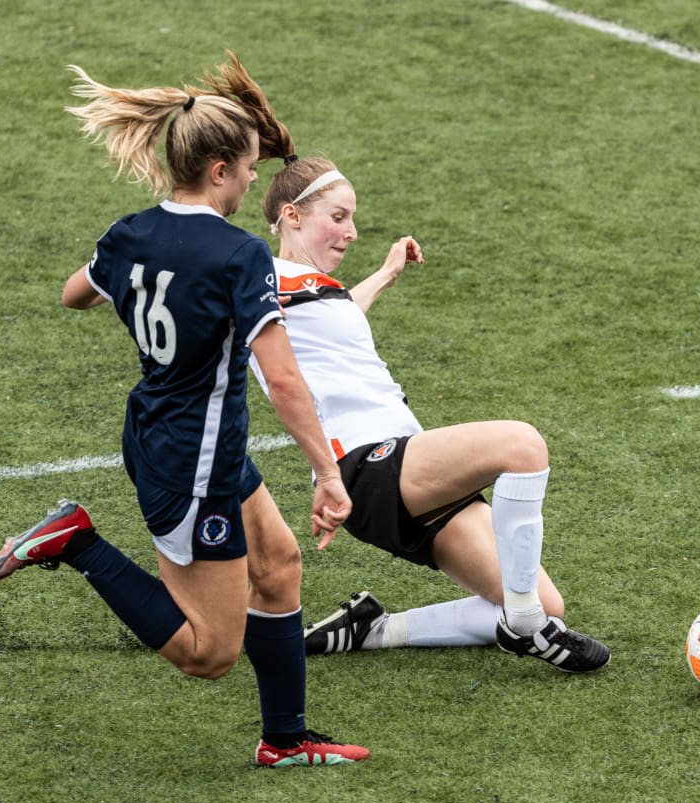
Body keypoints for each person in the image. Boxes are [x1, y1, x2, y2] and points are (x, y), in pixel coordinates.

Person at [0, 55, 369, 767]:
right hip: (190, 463)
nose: (256, 178)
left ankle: (284, 739)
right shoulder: (236, 255)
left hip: (180, 433)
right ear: (219, 169)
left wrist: (140, 284)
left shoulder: (130, 233)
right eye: (250, 166)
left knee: (279, 565)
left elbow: (77, 292)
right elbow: (284, 383)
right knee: (208, 654)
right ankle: (77, 542)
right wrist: (328, 474)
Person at [250, 156, 610, 673]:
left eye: (353, 219)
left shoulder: (310, 291)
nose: (351, 231)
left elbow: (335, 316)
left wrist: (386, 274)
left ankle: (373, 629)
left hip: (408, 476)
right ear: (292, 216)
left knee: (543, 602)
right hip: (368, 467)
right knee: (523, 445)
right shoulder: (261, 280)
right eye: (338, 216)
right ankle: (527, 626)